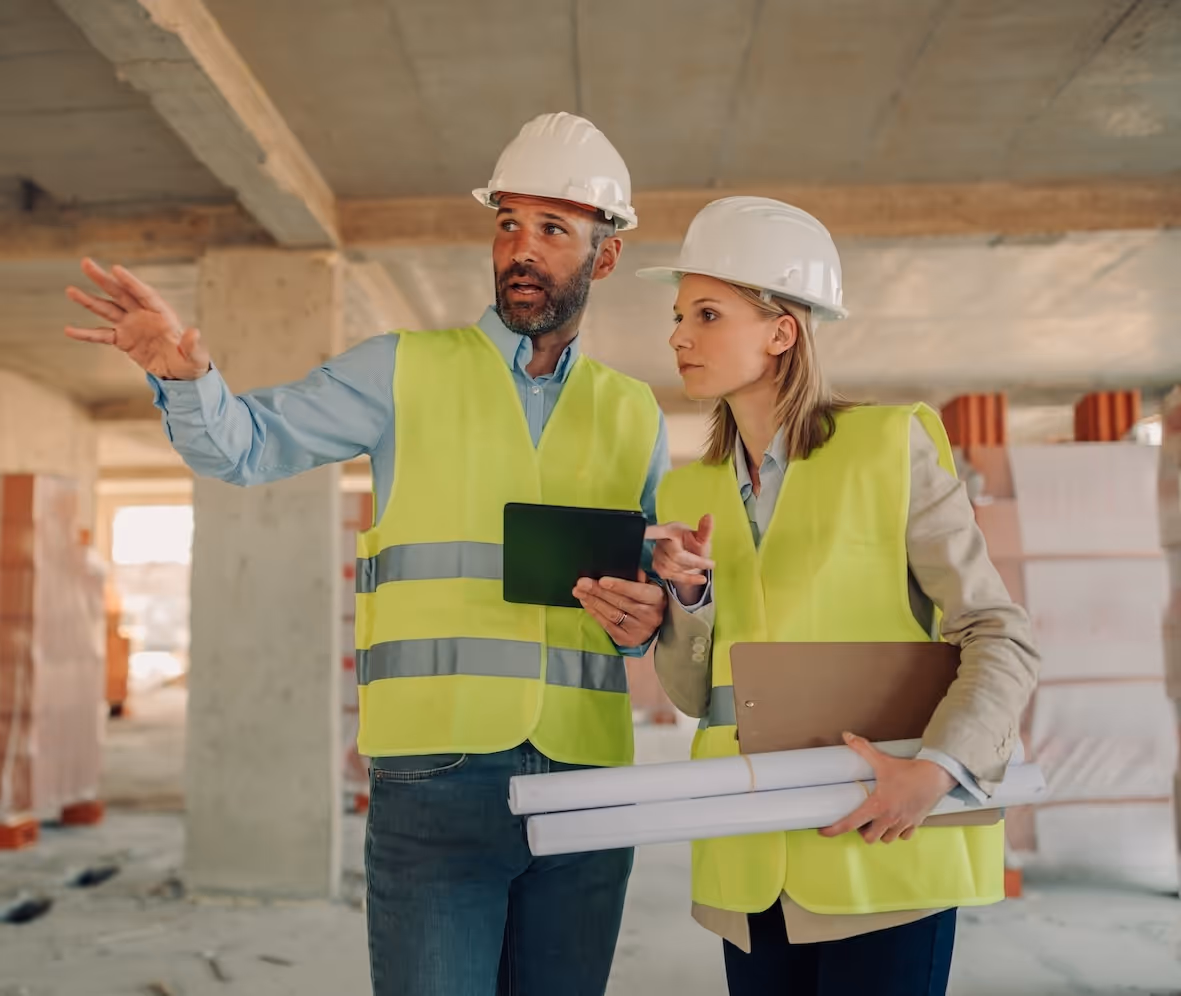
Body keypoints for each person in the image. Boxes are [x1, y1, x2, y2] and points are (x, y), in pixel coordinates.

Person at [64, 112, 670, 996]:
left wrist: (644, 616)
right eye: (506, 224)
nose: (520, 251)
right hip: (436, 778)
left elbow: (638, 598)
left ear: (603, 257)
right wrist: (188, 379)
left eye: (551, 229)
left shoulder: (635, 413)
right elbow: (248, 446)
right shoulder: (402, 369)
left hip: (585, 778)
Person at [640, 196, 1039, 996]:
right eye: (680, 314)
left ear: (781, 331)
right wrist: (686, 601)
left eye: (707, 314)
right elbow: (694, 694)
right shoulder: (687, 490)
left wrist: (936, 771)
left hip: (882, 841)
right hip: (747, 854)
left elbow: (999, 633)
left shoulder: (889, 446)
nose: (679, 335)